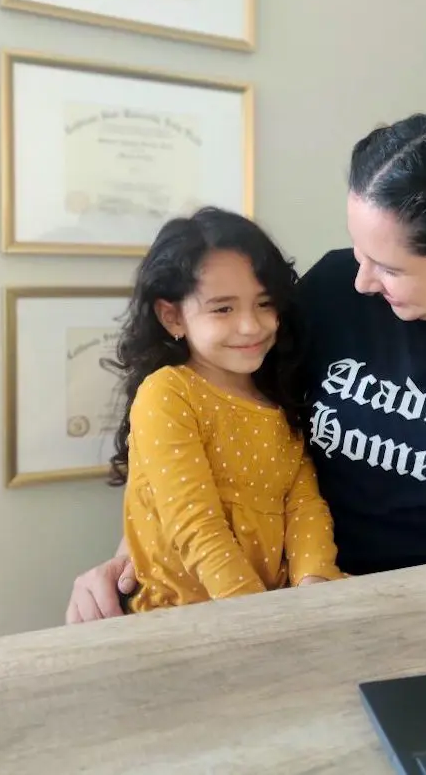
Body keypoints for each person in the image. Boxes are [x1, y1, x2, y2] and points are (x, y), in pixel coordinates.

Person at [66, 113, 426, 624]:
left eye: (388, 267)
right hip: (311, 606)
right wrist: (129, 553)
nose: (362, 279)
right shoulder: (334, 292)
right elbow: (210, 412)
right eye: (359, 251)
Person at [101, 207, 342, 616]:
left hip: (272, 611)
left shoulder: (279, 400)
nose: (251, 326)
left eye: (264, 304)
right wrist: (253, 615)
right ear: (172, 316)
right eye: (223, 309)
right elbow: (195, 524)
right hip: (181, 619)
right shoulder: (168, 394)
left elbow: (305, 506)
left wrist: (314, 586)